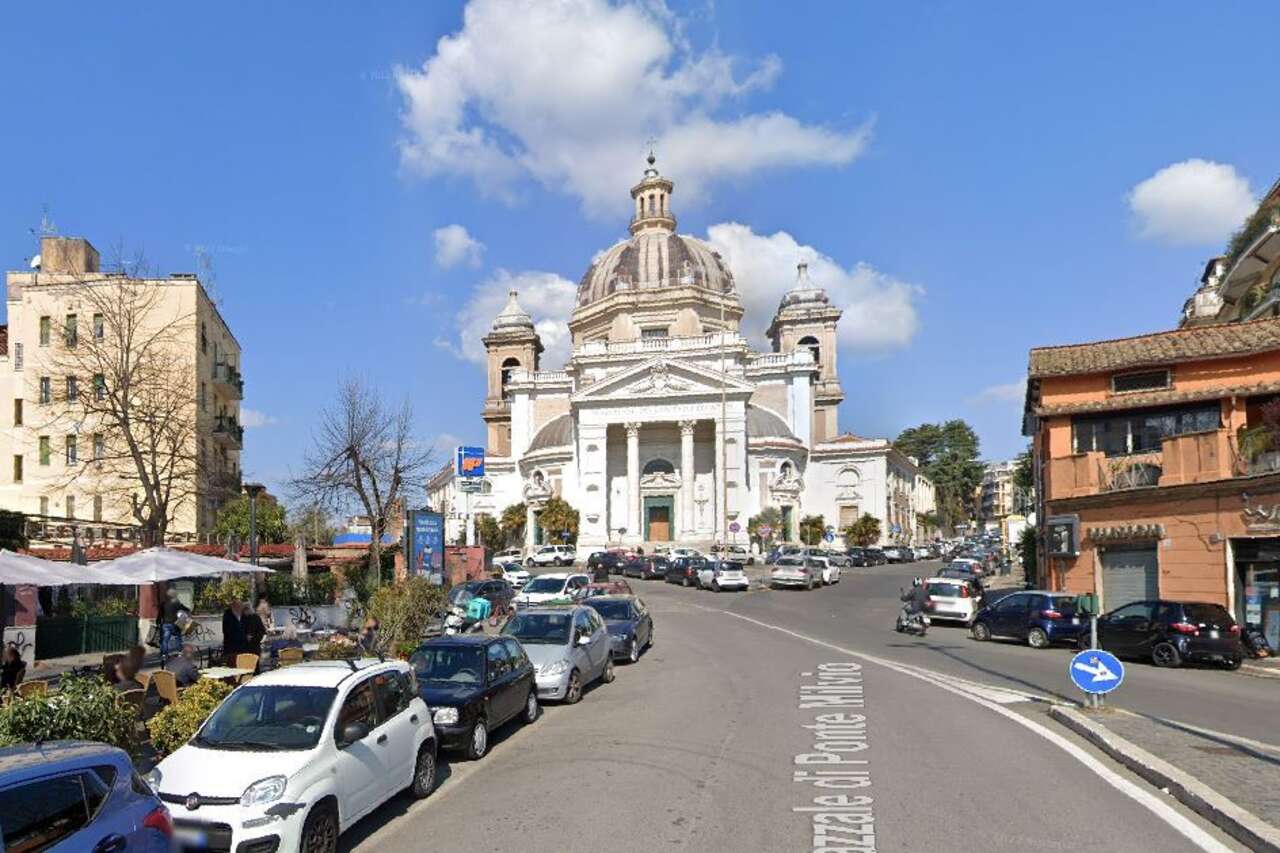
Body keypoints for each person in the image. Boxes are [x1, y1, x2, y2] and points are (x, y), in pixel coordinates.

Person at [159, 587, 184, 655]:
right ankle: (180, 652)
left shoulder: (163, 603)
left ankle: (164, 654)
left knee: (165, 640)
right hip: (175, 624)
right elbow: (183, 609)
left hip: (165, 624)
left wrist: (158, 622)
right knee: (178, 638)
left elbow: (160, 614)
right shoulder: (176, 603)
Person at [221, 601, 246, 667]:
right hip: (231, 647)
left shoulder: (242, 614)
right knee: (233, 666)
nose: (241, 607)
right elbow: (227, 631)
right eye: (239, 606)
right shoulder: (228, 615)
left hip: (242, 647)